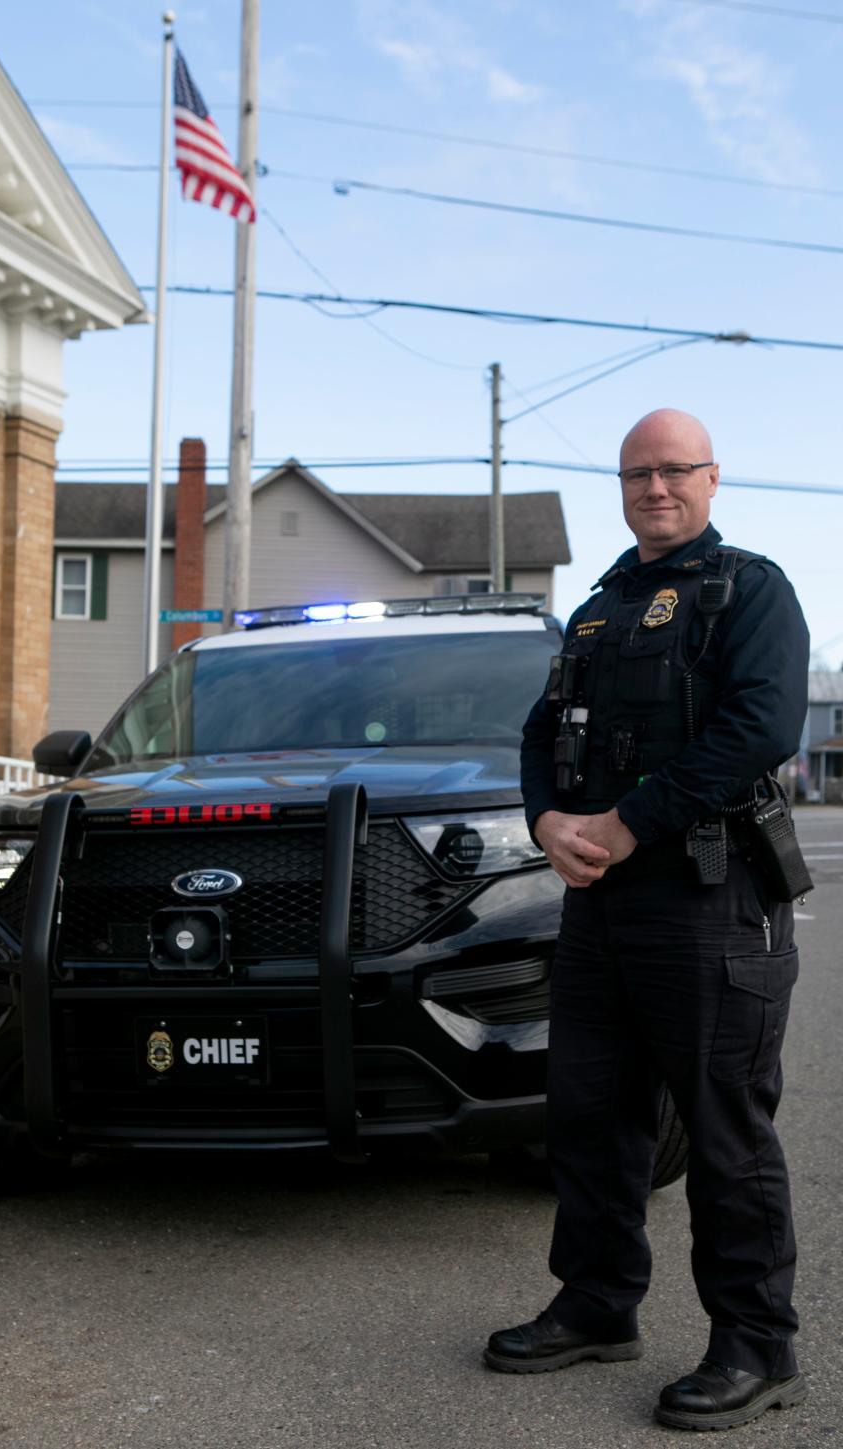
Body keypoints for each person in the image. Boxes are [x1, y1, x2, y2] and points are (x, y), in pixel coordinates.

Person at [485, 408, 810, 1432]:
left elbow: (760, 730)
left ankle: (758, 1348)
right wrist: (546, 819)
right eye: (637, 473)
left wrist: (626, 824)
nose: (655, 487)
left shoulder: (749, 591)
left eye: (675, 470)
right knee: (589, 1118)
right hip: (600, 909)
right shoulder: (595, 609)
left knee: (722, 1134)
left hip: (709, 905)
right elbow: (541, 730)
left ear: (712, 479)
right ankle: (595, 1305)